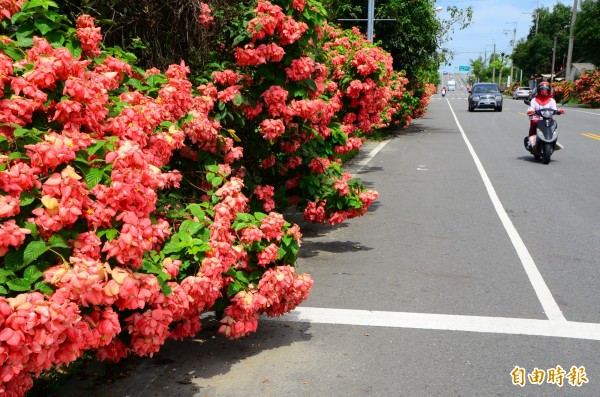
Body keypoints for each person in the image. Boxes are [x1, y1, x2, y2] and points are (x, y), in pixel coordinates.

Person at [524, 81, 564, 151]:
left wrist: (559, 111)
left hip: (548, 118)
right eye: (542, 89)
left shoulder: (551, 100)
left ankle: (554, 140)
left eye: (545, 89)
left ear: (549, 90)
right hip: (537, 117)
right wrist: (530, 111)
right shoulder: (534, 100)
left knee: (554, 125)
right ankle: (530, 141)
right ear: (538, 90)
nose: (544, 91)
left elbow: (554, 108)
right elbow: (531, 107)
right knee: (534, 122)